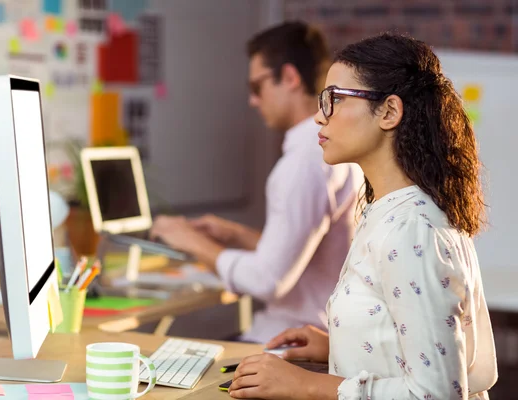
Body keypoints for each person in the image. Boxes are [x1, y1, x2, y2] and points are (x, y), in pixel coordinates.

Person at [227, 32, 498, 399]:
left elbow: (434, 394)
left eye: (335, 99)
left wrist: (304, 384)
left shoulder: (411, 230)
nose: (320, 117)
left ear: (389, 112)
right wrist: (336, 345)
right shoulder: (387, 210)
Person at [150, 21, 360, 343]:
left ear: (289, 77)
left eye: (257, 87)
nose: (252, 100)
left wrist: (189, 241)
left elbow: (267, 280)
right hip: (319, 331)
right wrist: (236, 234)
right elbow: (305, 250)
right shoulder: (336, 152)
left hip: (290, 340)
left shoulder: (303, 163)